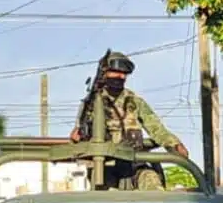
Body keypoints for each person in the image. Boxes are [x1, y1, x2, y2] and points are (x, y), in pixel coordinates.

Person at [70, 51, 190, 191]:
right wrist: (77, 135)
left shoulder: (134, 101)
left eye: (123, 74)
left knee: (153, 184)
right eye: (115, 72)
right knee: (106, 198)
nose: (120, 76)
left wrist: (174, 145)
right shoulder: (92, 103)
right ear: (105, 74)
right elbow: (79, 132)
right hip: (104, 166)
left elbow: (157, 129)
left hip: (134, 162)